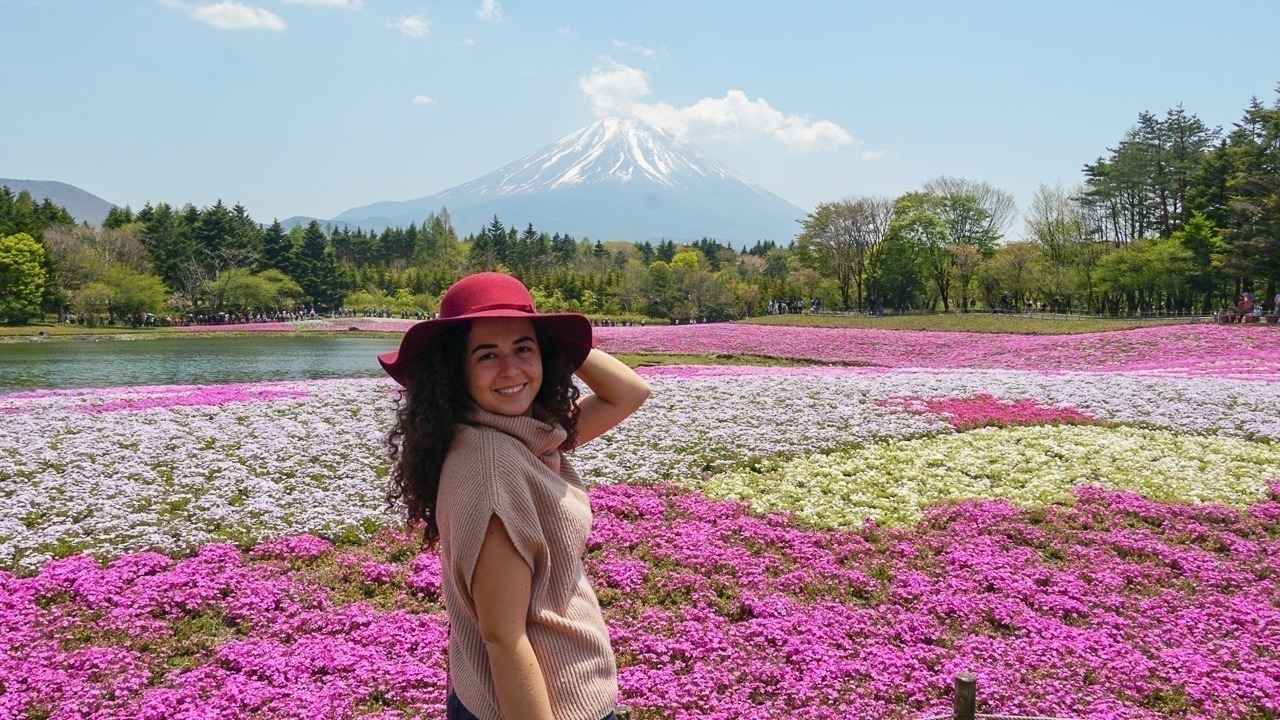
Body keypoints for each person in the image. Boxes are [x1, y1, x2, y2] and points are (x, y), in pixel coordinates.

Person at [380, 272, 650, 720]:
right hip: (549, 705)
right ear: (454, 369)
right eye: (487, 355)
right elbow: (503, 637)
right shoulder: (492, 465)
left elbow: (629, 393)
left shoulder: (523, 435)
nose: (511, 370)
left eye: (523, 348)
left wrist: (558, 345)